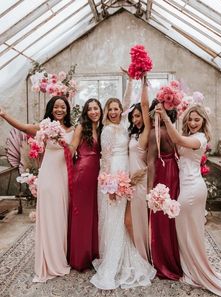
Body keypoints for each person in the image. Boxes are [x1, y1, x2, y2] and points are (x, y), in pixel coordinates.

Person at [156, 103, 221, 296]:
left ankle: (196, 271)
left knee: (187, 231)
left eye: (196, 120)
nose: (192, 123)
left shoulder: (200, 138)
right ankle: (191, 267)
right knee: (186, 231)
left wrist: (165, 118)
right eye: (190, 119)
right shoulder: (191, 136)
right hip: (187, 186)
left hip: (192, 189)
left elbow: (176, 138)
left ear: (203, 122)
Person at [90, 77, 156, 290]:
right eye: (110, 109)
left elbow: (128, 103)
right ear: (106, 112)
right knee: (115, 219)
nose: (113, 112)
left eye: (116, 108)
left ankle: (126, 255)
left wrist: (130, 81)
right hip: (113, 176)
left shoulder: (125, 126)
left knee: (124, 218)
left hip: (126, 173)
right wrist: (108, 185)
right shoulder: (107, 130)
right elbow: (105, 158)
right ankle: (114, 260)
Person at [0, 96, 73, 282]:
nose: (59, 109)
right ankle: (50, 259)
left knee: (63, 216)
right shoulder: (44, 127)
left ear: (67, 110)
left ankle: (63, 254)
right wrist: (4, 114)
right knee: (50, 216)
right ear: (51, 109)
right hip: (49, 177)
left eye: (62, 107)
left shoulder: (72, 129)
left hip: (66, 177)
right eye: (56, 106)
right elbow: (23, 127)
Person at [147, 99, 183, 280]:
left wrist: (149, 190)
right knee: (173, 217)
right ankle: (177, 258)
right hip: (175, 171)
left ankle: (164, 260)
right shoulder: (174, 130)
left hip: (163, 174)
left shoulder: (155, 133)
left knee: (162, 218)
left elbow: (151, 162)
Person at [68, 98, 103, 271]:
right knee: (81, 214)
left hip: (97, 173)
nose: (93, 112)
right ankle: (79, 257)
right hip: (82, 173)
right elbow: (72, 147)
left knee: (94, 213)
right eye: (90, 109)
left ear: (100, 110)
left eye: (96, 108)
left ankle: (92, 253)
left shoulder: (103, 128)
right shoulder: (81, 127)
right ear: (85, 112)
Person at [125, 75, 151, 261]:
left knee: (139, 220)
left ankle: (143, 255)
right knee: (128, 221)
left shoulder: (145, 134)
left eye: (138, 115)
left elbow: (144, 105)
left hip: (140, 181)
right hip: (129, 181)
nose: (135, 119)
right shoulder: (132, 135)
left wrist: (143, 82)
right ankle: (136, 252)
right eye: (133, 116)